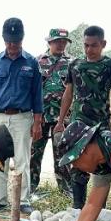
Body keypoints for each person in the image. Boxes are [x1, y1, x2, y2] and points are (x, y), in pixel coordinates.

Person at [54, 25, 111, 210]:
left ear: (103, 44)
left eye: (94, 45)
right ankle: (78, 208)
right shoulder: (75, 65)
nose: (89, 50)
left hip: (101, 124)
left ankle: (99, 209)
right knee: (78, 164)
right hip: (79, 124)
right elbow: (68, 93)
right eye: (86, 45)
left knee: (103, 164)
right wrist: (61, 121)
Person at [0, 18, 42, 214]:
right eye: (9, 41)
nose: (12, 45)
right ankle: (0, 199)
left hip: (22, 118)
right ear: (3, 39)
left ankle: (23, 200)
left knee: (22, 159)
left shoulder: (31, 63)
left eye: (16, 41)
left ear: (22, 39)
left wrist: (37, 123)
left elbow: (37, 96)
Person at [30, 28, 73, 197]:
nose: (61, 44)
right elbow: (31, 90)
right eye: (57, 41)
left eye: (63, 42)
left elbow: (74, 90)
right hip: (40, 116)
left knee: (62, 153)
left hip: (62, 118)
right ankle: (31, 186)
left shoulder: (72, 62)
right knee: (35, 153)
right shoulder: (38, 61)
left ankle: (65, 188)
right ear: (49, 42)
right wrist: (34, 118)